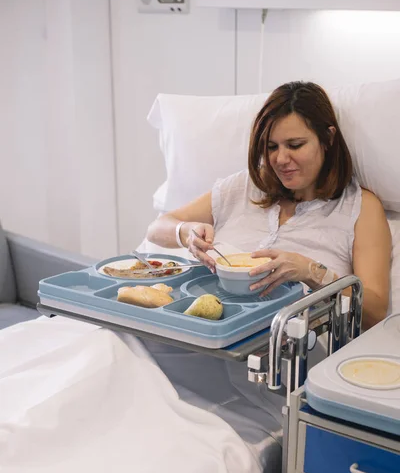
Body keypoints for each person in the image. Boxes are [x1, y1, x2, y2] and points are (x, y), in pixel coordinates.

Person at [147, 81, 392, 331]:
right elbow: (157, 228)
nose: (281, 159)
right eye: (272, 147)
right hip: (200, 332)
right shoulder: (245, 187)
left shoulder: (360, 207)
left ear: (327, 138)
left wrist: (311, 271)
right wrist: (186, 232)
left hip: (283, 352)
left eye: (295, 145)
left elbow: (374, 311)